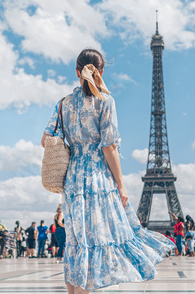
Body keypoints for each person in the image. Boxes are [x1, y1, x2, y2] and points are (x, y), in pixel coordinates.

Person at [42, 49, 174, 293]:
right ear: (101, 72)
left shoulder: (63, 104)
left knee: (76, 242)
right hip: (98, 180)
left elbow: (46, 139)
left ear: (76, 72)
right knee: (97, 240)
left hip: (73, 179)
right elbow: (109, 146)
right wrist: (121, 184)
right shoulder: (105, 101)